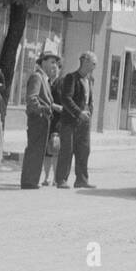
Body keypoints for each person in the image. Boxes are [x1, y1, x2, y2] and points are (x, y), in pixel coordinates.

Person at [55, 50, 98, 189]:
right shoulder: (71, 78)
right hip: (70, 121)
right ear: (85, 62)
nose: (94, 67)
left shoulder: (90, 80)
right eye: (93, 63)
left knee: (84, 150)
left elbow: (90, 99)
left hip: (84, 122)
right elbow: (66, 98)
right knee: (67, 150)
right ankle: (61, 179)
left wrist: (89, 111)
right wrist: (78, 113)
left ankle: (82, 179)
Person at [21, 49, 61, 190]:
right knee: (34, 150)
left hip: (42, 120)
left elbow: (45, 100)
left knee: (38, 151)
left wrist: (54, 107)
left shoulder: (44, 79)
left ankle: (32, 180)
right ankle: (29, 181)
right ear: (42, 62)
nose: (54, 66)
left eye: (56, 63)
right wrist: (43, 110)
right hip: (37, 119)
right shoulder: (37, 77)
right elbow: (32, 99)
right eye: (51, 62)